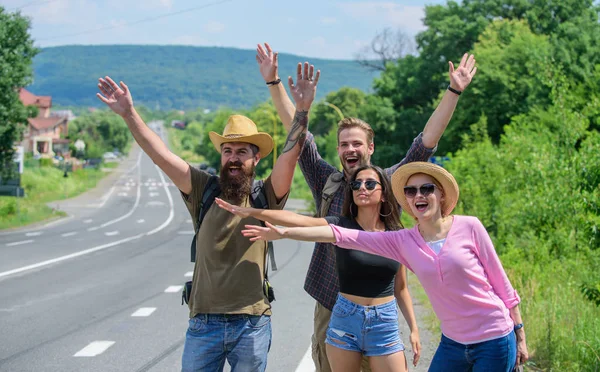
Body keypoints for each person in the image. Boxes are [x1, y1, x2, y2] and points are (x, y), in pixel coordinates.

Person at [256, 42, 477, 371]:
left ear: (370, 147)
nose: (350, 149)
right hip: (332, 304)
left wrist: (453, 91)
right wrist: (275, 85)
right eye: (344, 144)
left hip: (379, 307)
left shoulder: (390, 182)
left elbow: (426, 142)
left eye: (357, 143)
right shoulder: (325, 180)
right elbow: (299, 136)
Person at [95, 62, 319, 372]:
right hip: (204, 323)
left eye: (242, 151)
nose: (233, 158)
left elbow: (292, 153)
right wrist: (129, 114)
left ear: (256, 158)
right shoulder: (202, 188)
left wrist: (302, 110)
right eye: (228, 151)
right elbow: (158, 153)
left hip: (251, 322)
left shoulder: (265, 195)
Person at [243, 162, 530, 372]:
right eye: (411, 190)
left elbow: (501, 282)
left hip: (493, 335)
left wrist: (519, 332)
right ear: (405, 198)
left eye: (427, 188)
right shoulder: (403, 240)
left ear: (441, 195)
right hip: (452, 342)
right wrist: (278, 229)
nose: (419, 195)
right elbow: (337, 234)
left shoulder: (469, 227)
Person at [216, 164, 420, 372]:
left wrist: (413, 328)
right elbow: (302, 221)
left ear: (384, 194)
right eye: (356, 184)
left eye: (369, 184)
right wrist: (253, 212)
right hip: (346, 320)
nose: (362, 188)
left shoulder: (395, 234)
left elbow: (401, 288)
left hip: (383, 321)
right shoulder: (341, 226)